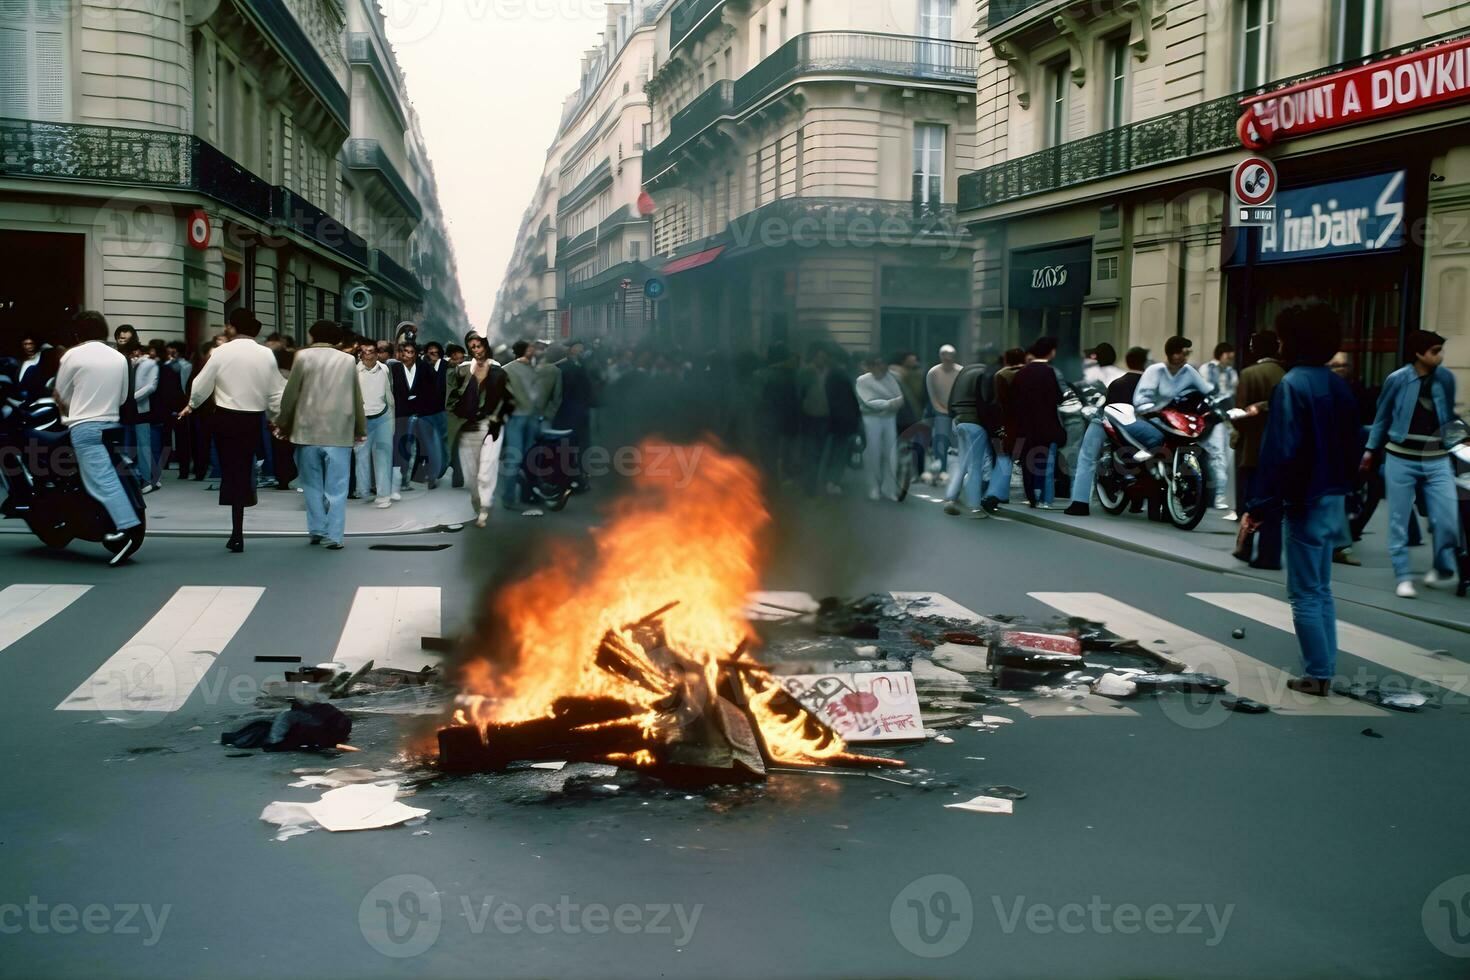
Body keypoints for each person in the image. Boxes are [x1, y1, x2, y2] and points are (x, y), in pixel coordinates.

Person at [1244, 304, 1365, 696]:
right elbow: (1355, 444)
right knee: (1322, 587)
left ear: (1294, 340)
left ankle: (1317, 673)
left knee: (1303, 592)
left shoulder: (1292, 385)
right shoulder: (1338, 385)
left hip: (1305, 498)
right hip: (1334, 495)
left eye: (1282, 336)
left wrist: (1260, 504)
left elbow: (1280, 452)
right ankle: (1324, 666)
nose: (1279, 342)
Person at [178, 308, 285, 553]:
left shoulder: (221, 351)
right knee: (244, 466)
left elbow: (202, 382)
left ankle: (236, 526)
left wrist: (191, 405)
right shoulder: (266, 354)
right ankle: (239, 523)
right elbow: (275, 389)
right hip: (252, 418)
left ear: (234, 327)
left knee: (231, 469)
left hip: (226, 417)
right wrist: (276, 418)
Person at [1365, 329, 1461, 598]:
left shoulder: (1446, 379)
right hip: (1400, 457)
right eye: (1435, 351)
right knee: (1398, 520)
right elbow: (1382, 416)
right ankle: (1403, 576)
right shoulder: (1397, 379)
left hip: (1437, 458)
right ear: (1418, 353)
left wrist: (1461, 446)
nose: (1440, 357)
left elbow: (1450, 415)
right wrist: (1370, 449)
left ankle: (1442, 567)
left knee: (1448, 520)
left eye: (1441, 351)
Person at [53, 311, 143, 565]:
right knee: (110, 474)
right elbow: (126, 395)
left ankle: (126, 530)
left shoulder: (73, 355)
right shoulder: (119, 357)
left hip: (85, 426)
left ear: (78, 332)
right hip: (112, 424)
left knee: (100, 481)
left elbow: (60, 394)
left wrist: (71, 408)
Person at [275, 321, 365, 548]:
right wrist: (360, 428)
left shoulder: (302, 357)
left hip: (307, 430)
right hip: (338, 431)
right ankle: (334, 535)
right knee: (338, 487)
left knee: (312, 484)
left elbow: (291, 394)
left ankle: (316, 529)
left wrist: (283, 424)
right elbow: (356, 397)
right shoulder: (347, 360)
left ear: (313, 335)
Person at [1066, 346, 1149, 516]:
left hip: (1106, 418)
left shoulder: (1093, 373)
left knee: (1087, 457)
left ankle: (1079, 502)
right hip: (1138, 422)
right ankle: (1137, 502)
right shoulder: (1131, 376)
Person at [1232, 331, 1287, 569]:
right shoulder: (1286, 374)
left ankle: (1246, 547)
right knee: (1274, 503)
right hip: (1281, 447)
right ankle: (1270, 553)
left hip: (1252, 446)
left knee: (1251, 499)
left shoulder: (1249, 374)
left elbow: (1241, 415)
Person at [455, 335, 513, 527]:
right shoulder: (463, 370)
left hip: (491, 425)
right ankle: (477, 501)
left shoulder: (498, 371)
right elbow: (452, 399)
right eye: (472, 347)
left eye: (479, 346)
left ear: (485, 347)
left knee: (486, 469)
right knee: (471, 473)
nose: (476, 350)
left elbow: (508, 400)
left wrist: (498, 417)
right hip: (469, 426)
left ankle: (485, 507)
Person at [1007, 337, 1067, 509]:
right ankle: (1041, 496)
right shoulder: (1050, 372)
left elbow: (1014, 401)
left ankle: (1031, 496)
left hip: (1025, 425)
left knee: (1027, 460)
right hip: (1046, 424)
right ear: (1051, 352)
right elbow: (1058, 398)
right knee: (1042, 461)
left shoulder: (1022, 373)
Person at [942, 357, 1004, 518]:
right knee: (976, 466)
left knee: (963, 462)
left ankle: (950, 497)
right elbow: (986, 402)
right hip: (975, 422)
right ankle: (975, 506)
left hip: (958, 420)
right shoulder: (986, 374)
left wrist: (953, 416)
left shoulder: (965, 371)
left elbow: (951, 399)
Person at [388, 342, 444, 493]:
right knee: (403, 445)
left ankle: (431, 476)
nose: (407, 355)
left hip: (423, 413)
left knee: (426, 445)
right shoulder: (394, 369)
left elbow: (433, 391)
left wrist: (420, 402)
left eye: (411, 352)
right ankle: (403, 479)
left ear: (416, 354)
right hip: (401, 414)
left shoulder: (425, 368)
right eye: (405, 352)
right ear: (400, 354)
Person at [981, 348, 1027, 511]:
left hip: (1005, 422)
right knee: (1019, 458)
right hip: (1026, 422)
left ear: (1007, 359)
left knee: (1003, 457)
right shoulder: (1028, 373)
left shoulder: (1001, 375)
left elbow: (997, 401)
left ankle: (996, 494)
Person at [855, 352, 904, 501]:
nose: (880, 368)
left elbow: (900, 397)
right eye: (876, 364)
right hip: (871, 419)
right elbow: (867, 401)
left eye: (882, 364)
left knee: (890, 454)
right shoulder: (863, 380)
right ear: (871, 366)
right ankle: (874, 487)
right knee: (872, 453)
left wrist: (892, 404)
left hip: (889, 418)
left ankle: (889, 488)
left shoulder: (894, 377)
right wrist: (889, 403)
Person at [353, 342, 396, 508]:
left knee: (384, 455)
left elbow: (389, 395)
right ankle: (363, 490)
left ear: (377, 354)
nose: (367, 355)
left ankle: (384, 495)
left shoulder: (384, 370)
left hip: (383, 415)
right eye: (364, 352)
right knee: (361, 455)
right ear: (360, 354)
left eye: (371, 351)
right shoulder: (355, 372)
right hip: (362, 418)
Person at [500, 340, 541, 511]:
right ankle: (510, 496)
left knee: (524, 457)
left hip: (527, 416)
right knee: (516, 458)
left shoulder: (529, 368)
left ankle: (524, 493)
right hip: (518, 417)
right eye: (530, 349)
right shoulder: (508, 370)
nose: (534, 351)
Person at [554, 339, 594, 492]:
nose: (581, 349)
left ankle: (579, 476)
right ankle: (571, 478)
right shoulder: (563, 366)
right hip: (568, 411)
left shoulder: (581, 365)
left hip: (580, 410)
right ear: (570, 349)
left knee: (581, 445)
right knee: (569, 445)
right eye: (578, 347)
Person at [1203, 342, 1238, 511]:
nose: (1230, 359)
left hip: (1228, 416)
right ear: (1221, 354)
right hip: (1214, 417)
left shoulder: (1232, 372)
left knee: (1228, 454)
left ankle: (1221, 494)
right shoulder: (1207, 369)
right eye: (1228, 356)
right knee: (1218, 454)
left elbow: (1234, 392)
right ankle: (1217, 495)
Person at [124, 341, 162, 493]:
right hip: (130, 408)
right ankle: (154, 478)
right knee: (140, 444)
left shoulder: (149, 364)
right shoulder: (128, 364)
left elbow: (151, 386)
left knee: (143, 444)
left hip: (141, 408)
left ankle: (147, 480)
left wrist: (132, 398)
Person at [925, 344, 962, 483]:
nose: (948, 358)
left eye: (950, 355)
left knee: (960, 440)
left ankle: (959, 470)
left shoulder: (960, 371)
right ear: (940, 356)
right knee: (941, 439)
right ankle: (941, 468)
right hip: (940, 410)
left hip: (958, 410)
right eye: (945, 355)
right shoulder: (933, 372)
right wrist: (941, 410)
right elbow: (932, 395)